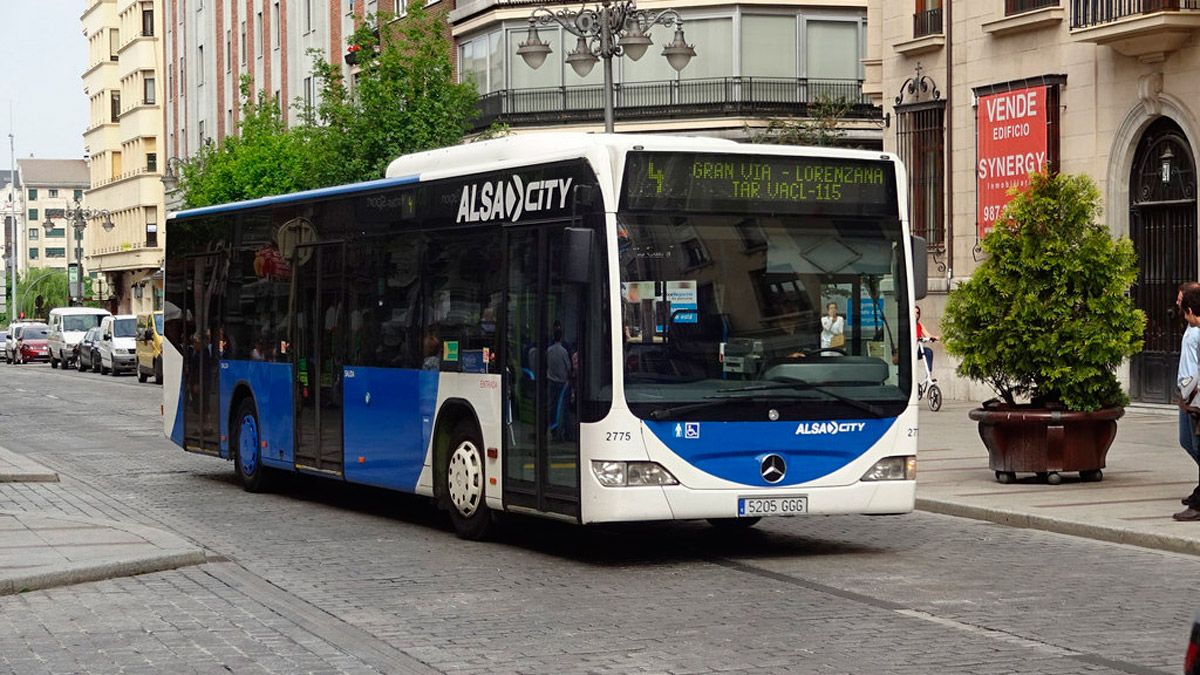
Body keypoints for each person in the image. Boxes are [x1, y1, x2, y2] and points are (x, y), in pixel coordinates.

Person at [1175, 282, 1200, 521]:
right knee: (1187, 442)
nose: (1177, 304)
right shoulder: (1192, 330)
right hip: (1189, 397)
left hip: (1196, 398)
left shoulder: (1196, 333)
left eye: (1181, 301)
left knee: (1196, 443)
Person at [546, 322, 572, 440]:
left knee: (552, 406)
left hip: (551, 381)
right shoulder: (563, 351)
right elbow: (568, 367)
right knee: (562, 408)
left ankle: (553, 429)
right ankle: (563, 432)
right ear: (561, 337)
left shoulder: (549, 350)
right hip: (562, 383)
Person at [915, 305, 938, 373]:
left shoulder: (919, 325)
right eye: (914, 312)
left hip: (917, 349)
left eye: (917, 313)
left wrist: (934, 337)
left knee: (928, 352)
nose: (916, 314)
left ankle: (929, 373)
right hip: (909, 351)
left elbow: (928, 335)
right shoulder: (907, 324)